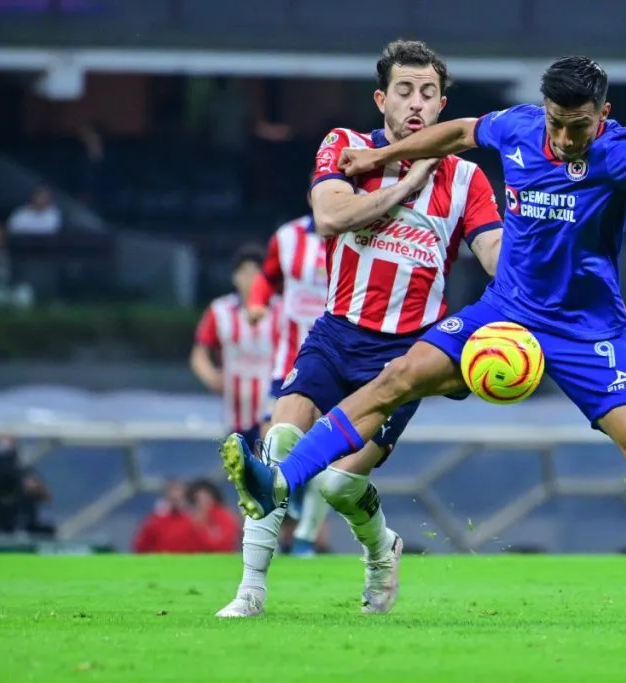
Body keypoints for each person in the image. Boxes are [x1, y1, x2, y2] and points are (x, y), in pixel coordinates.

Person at [223, 55, 626, 622]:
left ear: (603, 115)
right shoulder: (520, 125)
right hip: (506, 312)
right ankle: (280, 481)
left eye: (579, 125)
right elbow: (459, 132)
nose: (566, 137)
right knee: (396, 378)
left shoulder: (620, 151)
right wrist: (381, 155)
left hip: (586, 329)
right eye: (557, 122)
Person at [214, 39, 503, 619]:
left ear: (443, 104)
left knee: (337, 488)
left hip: (405, 356)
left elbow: (496, 256)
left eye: (427, 93)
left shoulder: (467, 179)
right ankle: (250, 591)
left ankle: (381, 552)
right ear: (382, 99)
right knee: (276, 447)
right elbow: (330, 216)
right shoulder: (345, 147)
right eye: (404, 91)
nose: (416, 103)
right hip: (336, 331)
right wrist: (404, 184)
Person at [246, 213, 332, 559]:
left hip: (334, 359)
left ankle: (305, 539)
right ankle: (271, 531)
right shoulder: (287, 236)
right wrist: (256, 302)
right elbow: (267, 278)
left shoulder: (362, 230)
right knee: (271, 438)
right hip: (289, 361)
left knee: (329, 454)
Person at [191, 244, 279, 449]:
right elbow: (199, 354)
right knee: (240, 472)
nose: (249, 280)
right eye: (244, 273)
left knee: (268, 469)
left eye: (256, 273)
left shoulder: (280, 310)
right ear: (234, 277)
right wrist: (212, 377)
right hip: (235, 415)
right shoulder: (220, 311)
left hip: (272, 413)